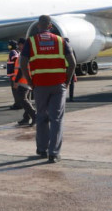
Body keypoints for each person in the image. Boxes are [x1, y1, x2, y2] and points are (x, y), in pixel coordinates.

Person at [21, 15, 76, 164]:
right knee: (56, 119)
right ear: (50, 26)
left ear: (38, 26)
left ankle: (42, 149)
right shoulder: (61, 41)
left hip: (39, 85)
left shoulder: (31, 42)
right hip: (58, 85)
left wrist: (30, 81)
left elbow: (23, 62)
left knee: (41, 117)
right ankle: (54, 153)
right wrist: (67, 80)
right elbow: (72, 63)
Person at [12, 51, 36, 125]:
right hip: (27, 81)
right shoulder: (30, 55)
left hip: (22, 82)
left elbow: (20, 70)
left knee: (23, 100)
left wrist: (16, 81)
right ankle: (26, 117)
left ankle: (34, 115)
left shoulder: (22, 56)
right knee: (26, 100)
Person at [6, 40, 21, 110]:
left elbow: (15, 61)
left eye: (9, 45)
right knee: (17, 90)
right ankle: (18, 103)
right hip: (15, 73)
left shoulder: (13, 52)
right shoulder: (17, 52)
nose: (8, 46)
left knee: (15, 90)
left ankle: (17, 104)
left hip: (13, 74)